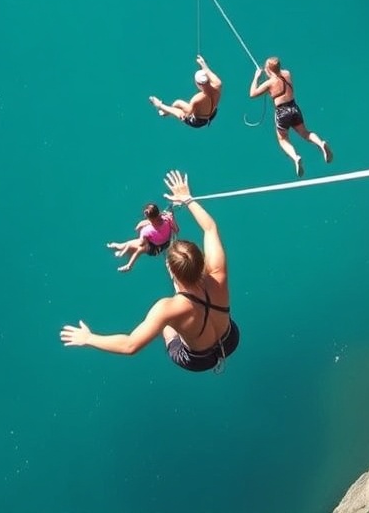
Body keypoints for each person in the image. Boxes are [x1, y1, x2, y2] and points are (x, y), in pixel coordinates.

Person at [61, 170, 239, 372]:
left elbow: (130, 345)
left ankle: (181, 328)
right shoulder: (217, 273)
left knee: (166, 326)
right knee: (178, 317)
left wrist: (89, 338)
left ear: (170, 269)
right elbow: (210, 229)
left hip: (199, 360)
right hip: (230, 339)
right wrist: (188, 199)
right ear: (201, 260)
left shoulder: (167, 308)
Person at [249, 56, 332, 178]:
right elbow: (278, 78)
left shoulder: (269, 84)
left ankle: (295, 157)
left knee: (283, 139)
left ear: (269, 69)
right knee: (305, 133)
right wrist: (270, 72)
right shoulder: (287, 73)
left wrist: (256, 77)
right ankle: (320, 143)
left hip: (282, 112)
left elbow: (252, 94)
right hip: (294, 108)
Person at [149, 55, 221, 129]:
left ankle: (161, 107)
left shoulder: (197, 99)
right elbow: (208, 71)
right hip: (210, 112)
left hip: (199, 121)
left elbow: (187, 114)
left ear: (198, 84)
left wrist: (159, 105)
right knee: (178, 103)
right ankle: (166, 112)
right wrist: (203, 65)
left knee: (179, 112)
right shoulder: (217, 84)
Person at [106, 203, 179, 273]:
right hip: (167, 243)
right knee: (134, 245)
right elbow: (176, 230)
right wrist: (172, 219)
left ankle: (123, 253)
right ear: (158, 212)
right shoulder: (167, 218)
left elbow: (141, 243)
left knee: (138, 247)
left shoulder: (146, 230)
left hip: (156, 249)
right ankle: (122, 252)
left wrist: (141, 228)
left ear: (147, 217)